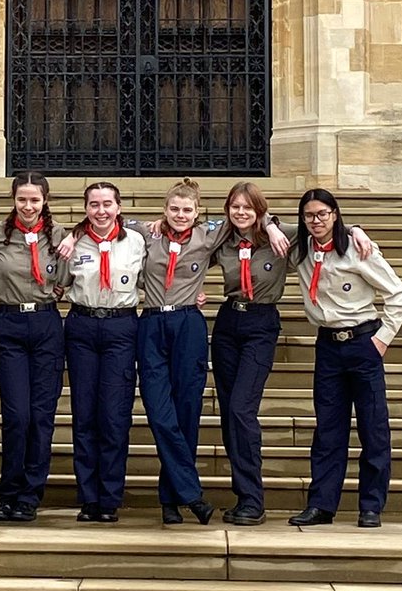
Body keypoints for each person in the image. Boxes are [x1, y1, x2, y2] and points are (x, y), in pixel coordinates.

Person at [129, 178, 289, 526]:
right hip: (152, 323)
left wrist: (272, 223)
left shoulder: (210, 235)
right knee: (159, 411)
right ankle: (190, 493)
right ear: (164, 210)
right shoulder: (148, 234)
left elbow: (252, 218)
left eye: (187, 210)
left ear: (199, 212)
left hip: (189, 324)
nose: (180, 215)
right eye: (174, 209)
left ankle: (171, 499)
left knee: (186, 410)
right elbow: (115, 222)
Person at [210, 183, 372, 526]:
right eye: (234, 207)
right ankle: (244, 496)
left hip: (261, 322)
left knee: (242, 408)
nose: (241, 213)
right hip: (227, 324)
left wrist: (355, 230)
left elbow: (322, 225)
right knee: (228, 413)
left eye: (248, 208)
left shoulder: (282, 234)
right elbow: (183, 239)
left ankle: (254, 500)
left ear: (259, 210)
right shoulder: (221, 238)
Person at [288, 188, 402, 529]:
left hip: (362, 342)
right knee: (328, 430)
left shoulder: (358, 249)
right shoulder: (301, 249)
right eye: (310, 215)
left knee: (373, 427)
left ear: (335, 215)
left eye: (323, 214)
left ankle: (371, 505)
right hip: (327, 346)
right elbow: (261, 220)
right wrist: (269, 227)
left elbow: (398, 295)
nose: (316, 221)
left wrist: (381, 340)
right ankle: (321, 505)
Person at [56, 182, 145, 523]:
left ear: (119, 207)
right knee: (84, 414)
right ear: (86, 208)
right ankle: (88, 497)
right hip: (82, 326)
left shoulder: (137, 241)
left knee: (113, 415)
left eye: (108, 204)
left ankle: (109, 497)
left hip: (121, 328)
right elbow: (60, 281)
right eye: (94, 205)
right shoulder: (73, 242)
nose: (101, 211)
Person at [0, 172, 67, 523]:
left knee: (41, 415)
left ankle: (30, 494)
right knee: (16, 415)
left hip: (47, 323)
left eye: (35, 200)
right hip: (10, 323)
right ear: (13, 199)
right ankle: (8, 491)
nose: (28, 206)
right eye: (22, 199)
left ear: (45, 200)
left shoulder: (61, 236)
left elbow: (67, 277)